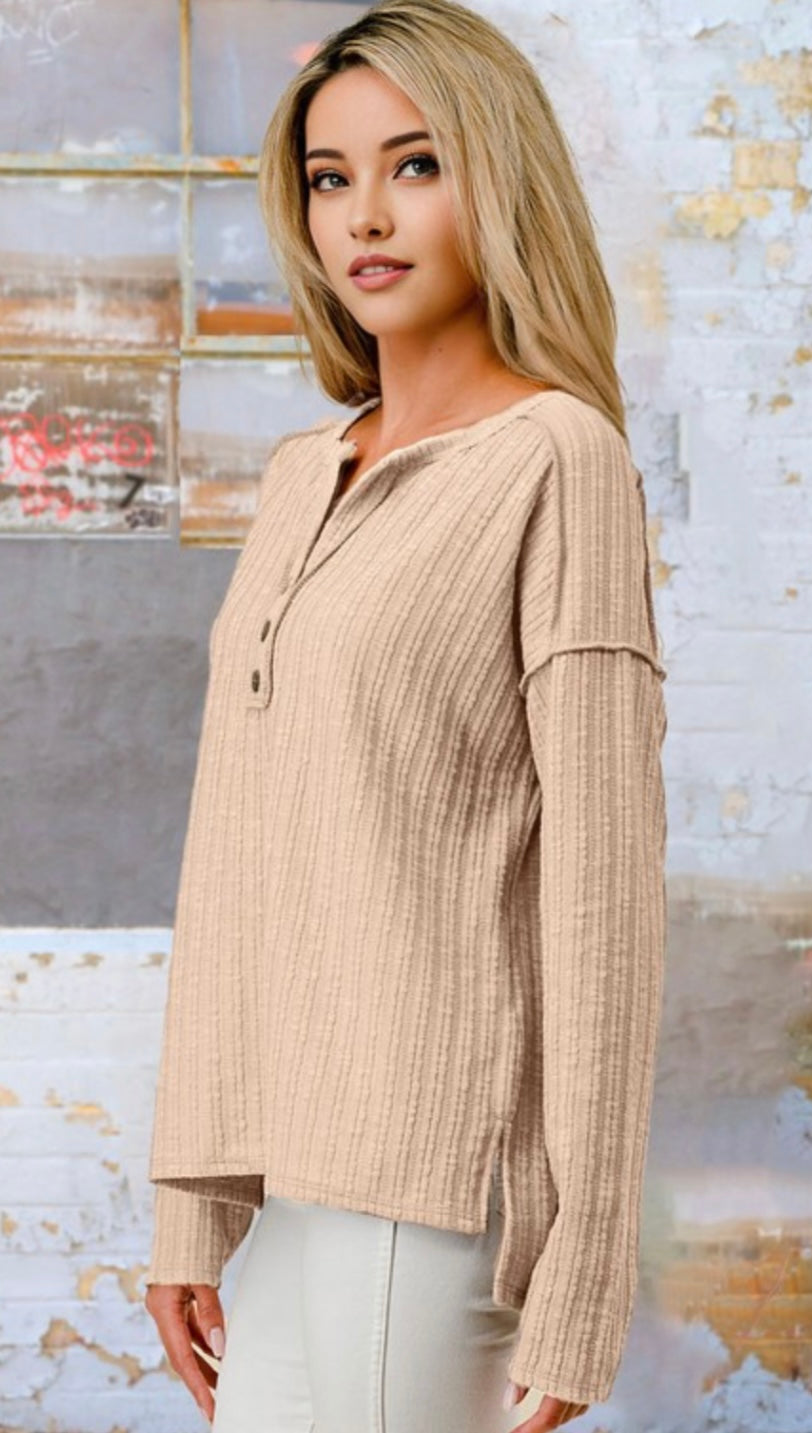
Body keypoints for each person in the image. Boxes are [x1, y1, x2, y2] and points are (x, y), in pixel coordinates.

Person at [143, 1, 669, 1429]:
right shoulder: (303, 471)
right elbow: (230, 852)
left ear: (496, 182)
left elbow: (602, 905)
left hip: (435, 1198)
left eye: (415, 164)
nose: (365, 213)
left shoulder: (558, 461)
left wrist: (581, 1277)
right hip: (289, 1185)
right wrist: (192, 1205)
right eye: (330, 176)